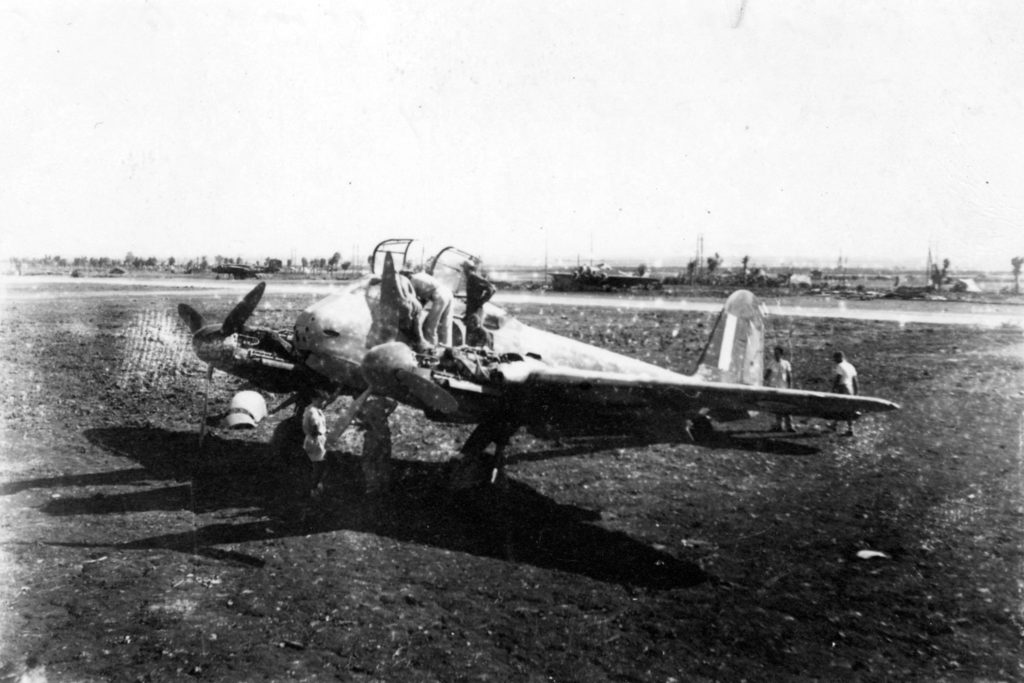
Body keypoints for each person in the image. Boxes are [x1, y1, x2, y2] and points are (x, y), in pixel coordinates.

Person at [407, 270, 454, 347]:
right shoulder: (421, 275)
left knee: (430, 326)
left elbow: (414, 300)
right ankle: (448, 348)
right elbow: (423, 299)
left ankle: (431, 349)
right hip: (448, 293)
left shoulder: (411, 281)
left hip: (439, 295)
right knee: (446, 325)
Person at [461, 261, 496, 348]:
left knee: (475, 331)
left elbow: (491, 288)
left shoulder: (474, 277)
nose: (463, 271)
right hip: (471, 309)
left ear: (467, 269)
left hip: (475, 310)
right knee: (470, 332)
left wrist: (481, 301)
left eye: (464, 268)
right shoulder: (470, 278)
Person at [302, 394, 330, 498]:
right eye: (322, 401)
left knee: (318, 465)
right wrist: (319, 434)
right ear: (315, 399)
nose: (324, 403)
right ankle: (313, 489)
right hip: (315, 440)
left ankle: (316, 487)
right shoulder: (312, 412)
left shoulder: (313, 409)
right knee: (319, 466)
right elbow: (315, 426)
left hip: (316, 439)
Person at [764, 346, 795, 432]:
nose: (775, 355)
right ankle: (779, 425)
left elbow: (789, 376)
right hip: (774, 388)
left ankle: (790, 426)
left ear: (781, 354)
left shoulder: (786, 363)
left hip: (784, 388)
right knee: (776, 407)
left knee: (787, 407)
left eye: (777, 353)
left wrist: (790, 387)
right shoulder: (771, 363)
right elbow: (767, 375)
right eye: (774, 353)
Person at [830, 351, 859, 436]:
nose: (834, 361)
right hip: (850, 388)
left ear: (839, 358)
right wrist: (856, 392)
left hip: (843, 387)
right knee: (843, 407)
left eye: (835, 359)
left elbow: (838, 378)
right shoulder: (850, 366)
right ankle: (834, 424)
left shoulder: (840, 366)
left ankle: (850, 429)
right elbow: (855, 380)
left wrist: (833, 390)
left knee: (843, 407)